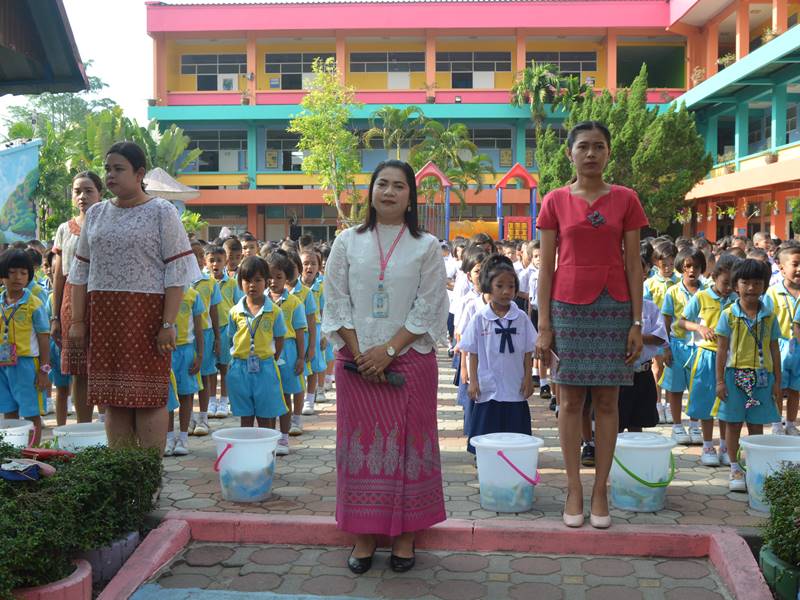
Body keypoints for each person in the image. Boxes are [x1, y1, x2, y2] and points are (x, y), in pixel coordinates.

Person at [322, 159, 448, 574]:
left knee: (408, 448)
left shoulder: (426, 246)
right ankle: (363, 537)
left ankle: (406, 536)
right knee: (361, 446)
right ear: (371, 192)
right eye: (382, 184)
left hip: (410, 363)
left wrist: (389, 351)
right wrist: (362, 353)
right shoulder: (347, 241)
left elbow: (429, 305)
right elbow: (336, 300)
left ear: (411, 196)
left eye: (398, 186)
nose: (389, 192)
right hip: (356, 363)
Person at [534, 121, 648, 530]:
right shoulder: (554, 201)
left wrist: (637, 321)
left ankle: (600, 489)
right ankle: (573, 489)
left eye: (599, 146)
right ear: (570, 153)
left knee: (607, 401)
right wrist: (543, 324)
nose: (591, 153)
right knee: (569, 400)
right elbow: (545, 267)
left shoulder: (626, 199)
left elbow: (633, 263)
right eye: (583, 146)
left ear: (608, 152)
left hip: (615, 307)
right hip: (567, 308)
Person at [69, 141, 200, 450]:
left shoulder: (162, 211)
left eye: (119, 169)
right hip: (104, 317)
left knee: (149, 396)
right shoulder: (96, 214)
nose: (110, 175)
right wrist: (77, 321)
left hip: (147, 318)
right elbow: (80, 271)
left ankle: (148, 472)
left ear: (139, 174)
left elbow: (177, 273)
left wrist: (168, 324)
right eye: (107, 169)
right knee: (113, 398)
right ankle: (123, 470)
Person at [715, 258, 781, 491]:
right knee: (733, 424)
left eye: (757, 283)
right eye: (745, 282)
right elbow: (721, 350)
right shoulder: (728, 315)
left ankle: (754, 468)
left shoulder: (770, 316)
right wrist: (720, 381)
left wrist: (777, 382)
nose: (751, 288)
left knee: (756, 424)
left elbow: (774, 349)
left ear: (764, 286)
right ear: (736, 285)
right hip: (734, 377)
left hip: (763, 378)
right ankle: (734, 468)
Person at [461, 254, 536, 450]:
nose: (506, 291)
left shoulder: (521, 318)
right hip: (488, 384)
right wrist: (473, 381)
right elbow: (473, 351)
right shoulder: (480, 318)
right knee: (488, 426)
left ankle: (514, 457)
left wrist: (528, 378)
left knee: (515, 429)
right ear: (488, 286)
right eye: (500, 286)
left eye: (511, 286)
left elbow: (528, 351)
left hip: (514, 383)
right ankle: (485, 456)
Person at [51, 172, 104, 425]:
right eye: (77, 191)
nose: (82, 196)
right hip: (71, 303)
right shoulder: (64, 229)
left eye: (88, 190)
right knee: (79, 371)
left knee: (106, 366)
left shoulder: (108, 223)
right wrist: (55, 317)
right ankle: (84, 429)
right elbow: (58, 275)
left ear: (100, 194)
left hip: (104, 300)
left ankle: (109, 428)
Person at [678, 253, 739, 466]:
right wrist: (700, 328)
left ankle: (724, 445)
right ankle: (707, 444)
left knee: (727, 402)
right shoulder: (702, 297)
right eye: (725, 282)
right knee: (705, 401)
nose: (729, 288)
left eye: (733, 283)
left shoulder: (736, 299)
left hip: (731, 358)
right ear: (714, 276)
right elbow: (681, 322)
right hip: (706, 356)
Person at [226, 256, 288, 429]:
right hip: (240, 367)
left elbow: (279, 338)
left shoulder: (274, 311)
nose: (252, 285)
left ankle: (267, 446)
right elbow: (231, 338)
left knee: (266, 416)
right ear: (240, 282)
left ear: (266, 282)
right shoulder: (234, 312)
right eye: (247, 280)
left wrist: (271, 359)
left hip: (265, 367)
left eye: (258, 280)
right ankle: (248, 445)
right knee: (245, 416)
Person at [0, 249, 50, 445]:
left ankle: (33, 453)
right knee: (8, 410)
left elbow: (44, 338)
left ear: (29, 276)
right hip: (3, 364)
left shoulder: (34, 304)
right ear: (2, 275)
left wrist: (44, 371)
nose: (18, 277)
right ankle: (14, 450)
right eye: (12, 272)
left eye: (23, 273)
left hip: (26, 365)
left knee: (31, 412)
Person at [661, 246, 707, 444]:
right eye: (687, 266)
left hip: (701, 347)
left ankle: (695, 424)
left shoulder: (707, 292)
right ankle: (677, 426)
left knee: (698, 387)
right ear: (680, 267)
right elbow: (665, 321)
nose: (691, 270)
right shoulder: (672, 292)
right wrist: (665, 347)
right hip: (677, 345)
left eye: (696, 266)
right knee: (675, 387)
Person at [619, 258, 667, 432]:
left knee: (637, 423)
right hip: (618, 374)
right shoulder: (613, 308)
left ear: (645, 275)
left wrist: (637, 336)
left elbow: (660, 337)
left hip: (642, 372)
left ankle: (635, 449)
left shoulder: (650, 307)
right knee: (614, 421)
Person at [266, 252, 307, 442]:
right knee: (268, 394)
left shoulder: (294, 303)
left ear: (287, 278)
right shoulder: (260, 301)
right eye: (269, 277)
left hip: (288, 352)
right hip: (266, 351)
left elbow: (300, 332)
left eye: (279, 277)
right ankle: (268, 436)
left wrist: (301, 358)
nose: (273, 281)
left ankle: (284, 436)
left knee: (285, 395)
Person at [764, 241, 800, 435]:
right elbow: (765, 320)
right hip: (778, 346)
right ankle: (777, 423)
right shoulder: (773, 292)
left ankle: (791, 423)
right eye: (795, 264)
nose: (799, 269)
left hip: (799, 348)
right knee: (777, 386)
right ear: (782, 268)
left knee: (796, 389)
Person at [165, 285, 204, 456]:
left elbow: (199, 328)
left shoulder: (193, 296)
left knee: (186, 394)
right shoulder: (164, 293)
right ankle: (168, 438)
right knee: (167, 395)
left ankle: (183, 437)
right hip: (167, 350)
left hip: (186, 351)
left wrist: (200, 355)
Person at [205, 244, 243, 419]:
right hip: (208, 329)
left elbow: (238, 305)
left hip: (226, 329)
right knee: (210, 367)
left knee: (225, 366)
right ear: (205, 262)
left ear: (225, 262)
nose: (215, 264)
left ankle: (224, 400)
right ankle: (211, 400)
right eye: (211, 260)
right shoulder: (204, 283)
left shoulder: (232, 283)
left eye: (219, 260)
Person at [189, 240, 222, 436]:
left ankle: (203, 417)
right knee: (187, 377)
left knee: (205, 375)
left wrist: (217, 337)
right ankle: (189, 417)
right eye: (193, 255)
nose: (198, 259)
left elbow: (214, 311)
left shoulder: (210, 282)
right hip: (186, 336)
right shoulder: (180, 282)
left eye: (201, 255)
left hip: (206, 334)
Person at [301, 249, 328, 404]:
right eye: (305, 263)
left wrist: (324, 334)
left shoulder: (321, 288)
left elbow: (324, 312)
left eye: (313, 264)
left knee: (315, 363)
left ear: (319, 267)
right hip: (299, 330)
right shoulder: (294, 288)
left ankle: (311, 398)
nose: (309, 267)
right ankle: (301, 394)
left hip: (316, 329)